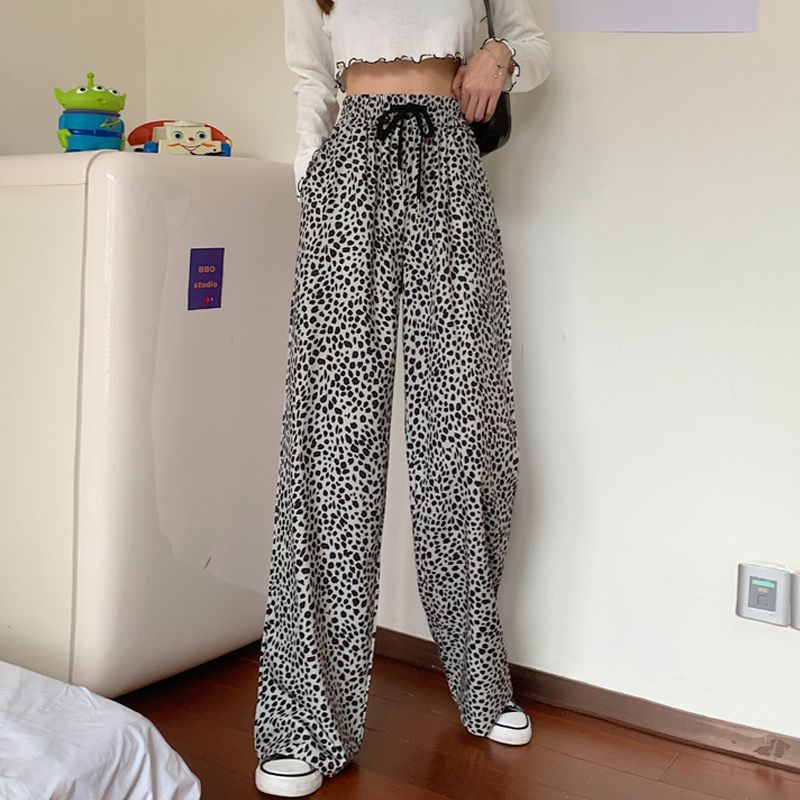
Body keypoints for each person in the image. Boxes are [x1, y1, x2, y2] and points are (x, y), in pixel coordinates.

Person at [254, 0, 552, 795]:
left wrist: (500, 55)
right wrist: (313, 175)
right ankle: (304, 718)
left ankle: (480, 676)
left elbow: (533, 46)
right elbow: (309, 76)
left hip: (450, 162)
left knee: (465, 429)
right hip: (348, 168)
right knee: (332, 441)